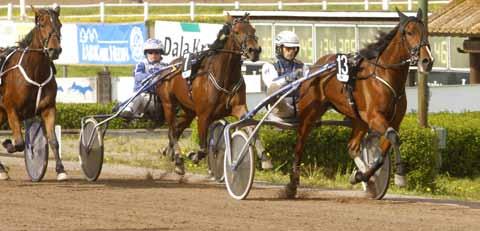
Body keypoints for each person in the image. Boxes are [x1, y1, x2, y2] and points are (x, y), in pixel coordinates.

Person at [119, 38, 168, 120]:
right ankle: (127, 111)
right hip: (143, 97)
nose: (153, 55)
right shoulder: (141, 64)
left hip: (158, 100)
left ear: (161, 54)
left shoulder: (165, 66)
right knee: (138, 96)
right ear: (146, 54)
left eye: (156, 52)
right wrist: (155, 77)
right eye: (150, 52)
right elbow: (138, 76)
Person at [261, 30, 305, 122]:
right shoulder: (269, 66)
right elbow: (272, 87)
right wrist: (289, 77)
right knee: (273, 89)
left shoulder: (302, 66)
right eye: (288, 49)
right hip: (280, 109)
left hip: (299, 107)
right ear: (279, 48)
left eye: (294, 49)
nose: (292, 52)